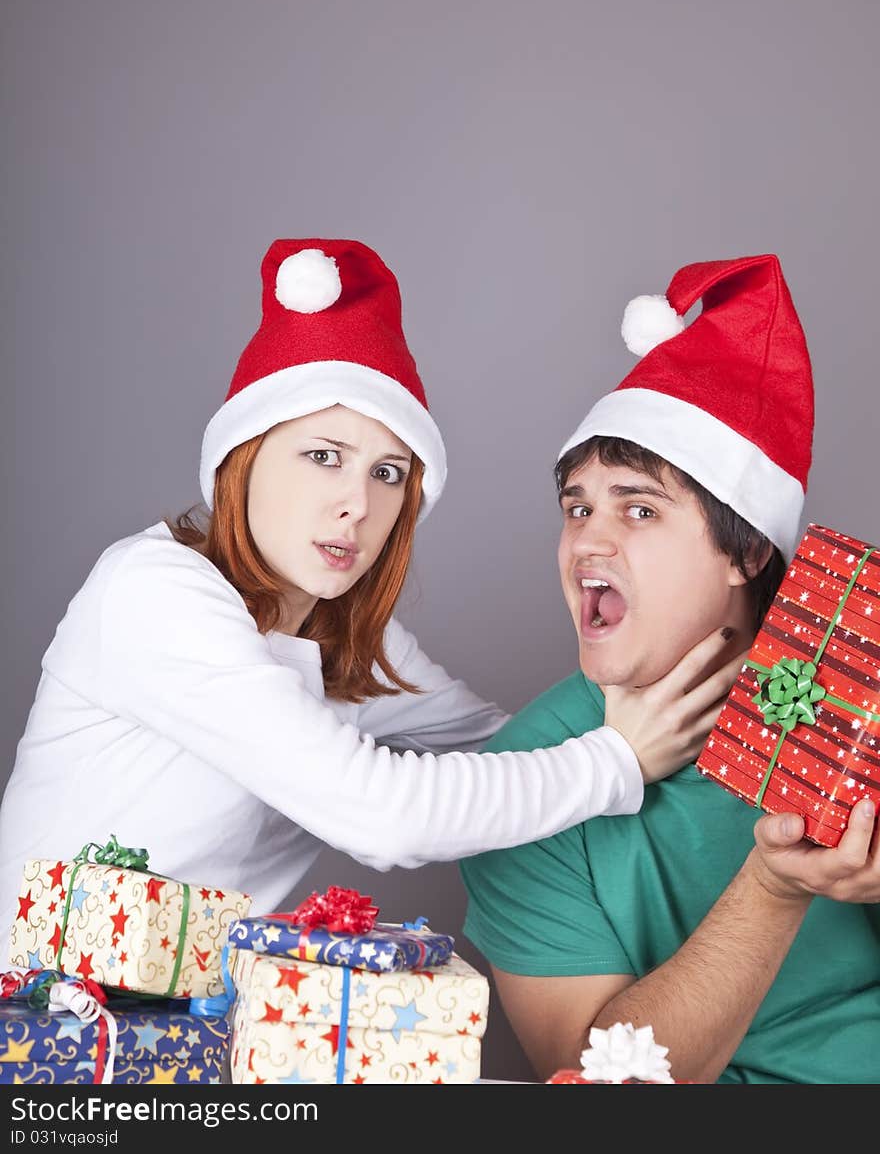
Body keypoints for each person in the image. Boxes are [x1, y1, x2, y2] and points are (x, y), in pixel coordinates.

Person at [0, 238, 737, 954]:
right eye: (324, 457)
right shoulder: (152, 595)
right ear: (241, 461)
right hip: (37, 1029)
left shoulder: (350, 642)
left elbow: (508, 748)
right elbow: (383, 813)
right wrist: (614, 762)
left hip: (187, 1044)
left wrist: (696, 731)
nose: (357, 502)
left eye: (388, 474)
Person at [460, 253, 880, 1086]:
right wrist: (774, 884)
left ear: (748, 549)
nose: (589, 539)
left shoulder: (862, 697)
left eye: (639, 507)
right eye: (577, 507)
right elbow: (597, 1080)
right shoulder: (518, 786)